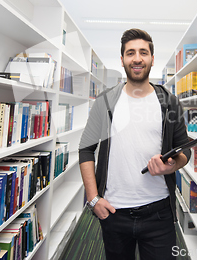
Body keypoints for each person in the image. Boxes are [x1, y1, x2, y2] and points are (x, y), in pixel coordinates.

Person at [78, 28, 190, 260]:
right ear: (122, 60)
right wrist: (92, 198)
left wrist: (170, 167)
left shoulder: (169, 103)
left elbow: (184, 149)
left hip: (159, 212)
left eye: (143, 52)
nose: (137, 58)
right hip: (113, 211)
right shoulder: (105, 102)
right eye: (130, 53)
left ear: (151, 59)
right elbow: (85, 149)